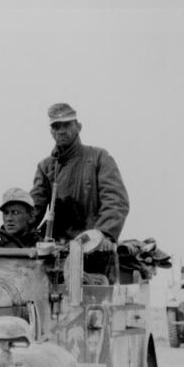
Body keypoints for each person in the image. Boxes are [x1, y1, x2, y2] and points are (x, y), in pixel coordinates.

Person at [30, 103, 129, 279]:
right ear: (51, 131)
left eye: (66, 125)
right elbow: (34, 208)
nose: (60, 131)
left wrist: (104, 234)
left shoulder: (99, 157)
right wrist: (15, 227)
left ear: (78, 127)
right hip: (55, 256)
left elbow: (115, 201)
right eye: (56, 126)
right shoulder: (45, 167)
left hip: (93, 253)